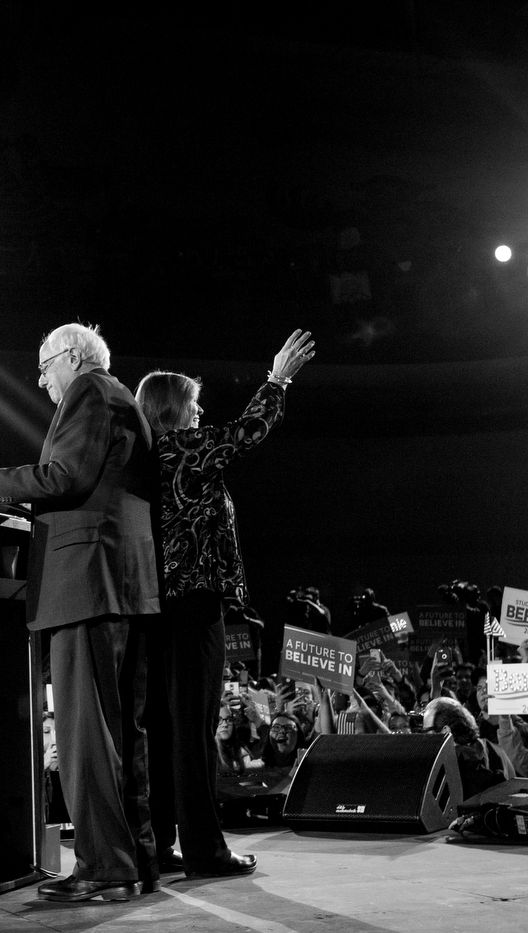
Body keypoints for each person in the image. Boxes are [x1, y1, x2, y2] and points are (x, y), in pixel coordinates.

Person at [0, 323, 160, 902]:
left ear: (71, 357)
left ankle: (104, 866)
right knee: (122, 731)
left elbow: (65, 475)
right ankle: (135, 859)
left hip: (86, 585)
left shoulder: (89, 391)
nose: (41, 380)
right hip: (119, 584)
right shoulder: (120, 398)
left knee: (86, 735)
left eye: (44, 365)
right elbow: (88, 487)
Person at [133, 329, 314, 880]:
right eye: (193, 404)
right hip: (193, 609)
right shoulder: (184, 450)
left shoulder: (142, 459)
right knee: (194, 731)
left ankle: (162, 843)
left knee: (165, 733)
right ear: (172, 409)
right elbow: (247, 432)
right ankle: (207, 852)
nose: (200, 411)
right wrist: (277, 378)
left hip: (155, 611)